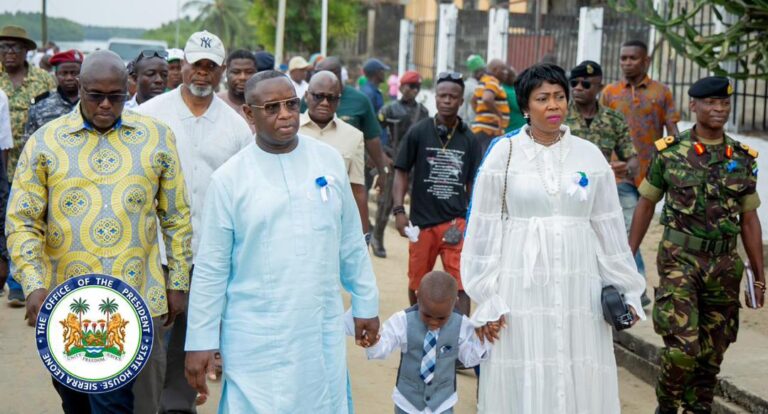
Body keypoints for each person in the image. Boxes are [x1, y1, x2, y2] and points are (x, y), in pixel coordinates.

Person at [6, 49, 192, 414]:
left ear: (129, 88)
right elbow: (23, 220)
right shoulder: (46, 142)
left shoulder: (156, 137)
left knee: (116, 404)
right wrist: (32, 283)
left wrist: (178, 283)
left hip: (139, 297)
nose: (106, 105)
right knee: (76, 403)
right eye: (95, 96)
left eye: (116, 96)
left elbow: (176, 216)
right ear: (79, 88)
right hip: (67, 303)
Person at [184, 70, 380, 413]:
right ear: (249, 114)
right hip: (254, 335)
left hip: (317, 328)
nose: (286, 114)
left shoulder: (328, 161)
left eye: (291, 104)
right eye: (272, 108)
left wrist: (366, 304)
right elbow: (211, 269)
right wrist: (200, 341)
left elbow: (349, 240)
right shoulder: (229, 180)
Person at [461, 63, 646, 413]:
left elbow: (608, 228)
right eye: (543, 98)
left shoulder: (589, 155)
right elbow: (484, 228)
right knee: (525, 359)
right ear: (526, 106)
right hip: (520, 284)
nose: (554, 106)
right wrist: (485, 296)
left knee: (575, 359)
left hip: (579, 283)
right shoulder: (504, 153)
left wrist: (628, 288)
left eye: (559, 97)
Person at [628, 76, 764, 414]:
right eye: (710, 103)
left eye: (724, 104)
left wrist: (758, 277)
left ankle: (698, 407)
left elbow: (749, 218)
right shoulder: (671, 152)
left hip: (724, 265)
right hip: (679, 259)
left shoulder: (742, 158)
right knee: (681, 349)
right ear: (694, 106)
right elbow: (646, 204)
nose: (718, 109)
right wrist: (626, 255)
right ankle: (668, 405)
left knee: (711, 353)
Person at [136, 30, 252, 414]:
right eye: (195, 65)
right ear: (181, 65)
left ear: (219, 71)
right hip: (155, 253)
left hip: (208, 255)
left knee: (192, 339)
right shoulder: (149, 116)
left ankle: (178, 406)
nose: (201, 74)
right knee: (149, 339)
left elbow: (244, 192)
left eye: (210, 67)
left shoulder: (236, 127)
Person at [392, 72, 482, 317]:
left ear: (461, 101)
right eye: (442, 95)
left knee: (460, 283)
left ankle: (460, 339)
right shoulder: (419, 132)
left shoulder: (469, 139)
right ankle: (416, 327)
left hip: (456, 222)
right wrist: (399, 211)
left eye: (453, 97)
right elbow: (401, 170)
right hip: (422, 223)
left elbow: (474, 182)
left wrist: (473, 220)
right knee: (417, 282)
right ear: (435, 98)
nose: (447, 101)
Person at [563, 60, 646, 304]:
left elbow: (632, 160)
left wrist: (624, 168)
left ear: (599, 86)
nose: (578, 88)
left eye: (585, 83)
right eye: (574, 83)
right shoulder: (561, 116)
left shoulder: (613, 119)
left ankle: (634, 287)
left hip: (607, 186)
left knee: (626, 229)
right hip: (569, 188)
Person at [354, 271, 491, 414]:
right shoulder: (402, 321)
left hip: (442, 404)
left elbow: (469, 358)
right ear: (417, 296)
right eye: (427, 315)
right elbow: (384, 346)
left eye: (441, 318)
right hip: (407, 403)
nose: (433, 323)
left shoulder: (462, 324)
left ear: (455, 303)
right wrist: (373, 342)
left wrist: (484, 339)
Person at [601, 40, 681, 281]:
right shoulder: (610, 93)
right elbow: (600, 130)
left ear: (646, 61)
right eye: (623, 58)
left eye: (632, 58)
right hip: (619, 173)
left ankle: (629, 281)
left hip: (651, 174)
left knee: (635, 228)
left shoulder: (661, 92)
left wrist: (677, 161)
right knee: (625, 226)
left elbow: (672, 130)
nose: (627, 63)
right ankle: (636, 282)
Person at [0, 25, 56, 306]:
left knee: (36, 224)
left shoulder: (43, 80)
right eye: (4, 47)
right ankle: (14, 282)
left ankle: (26, 282)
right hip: (5, 164)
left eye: (15, 47)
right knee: (11, 224)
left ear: (26, 51)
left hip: (38, 165)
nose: (9, 52)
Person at [299, 70, 368, 237]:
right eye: (318, 96)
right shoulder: (290, 130)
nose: (324, 103)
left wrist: (363, 236)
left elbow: (357, 188)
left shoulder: (354, 136)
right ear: (307, 96)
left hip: (334, 227)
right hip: (295, 221)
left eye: (331, 98)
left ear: (339, 100)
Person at [313, 56, 392, 192]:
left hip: (351, 173)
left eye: (321, 75)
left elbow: (371, 137)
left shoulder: (360, 100)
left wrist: (381, 169)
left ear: (336, 74)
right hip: (316, 171)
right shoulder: (309, 99)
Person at [373, 71, 429, 258]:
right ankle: (377, 237)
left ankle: (418, 241)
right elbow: (373, 133)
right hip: (394, 161)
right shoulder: (389, 109)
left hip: (416, 164)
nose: (413, 90)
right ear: (402, 87)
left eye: (417, 87)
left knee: (420, 204)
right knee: (387, 202)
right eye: (410, 86)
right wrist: (381, 155)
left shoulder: (423, 112)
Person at [23, 50, 83, 142]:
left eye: (74, 73)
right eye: (64, 73)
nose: (69, 78)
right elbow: (29, 141)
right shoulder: (40, 104)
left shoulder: (92, 102)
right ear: (56, 75)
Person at [471, 58, 509, 153]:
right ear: (495, 70)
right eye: (503, 69)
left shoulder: (484, 80)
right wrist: (499, 115)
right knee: (486, 160)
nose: (506, 73)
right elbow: (487, 98)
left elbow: (473, 101)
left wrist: (481, 115)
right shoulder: (493, 81)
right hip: (489, 131)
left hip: (482, 129)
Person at [217, 48, 257, 127]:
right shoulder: (214, 102)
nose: (242, 77)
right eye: (236, 72)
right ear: (226, 72)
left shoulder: (264, 106)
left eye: (249, 72)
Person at [501, 65, 526, 133]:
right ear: (507, 78)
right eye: (513, 76)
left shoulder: (513, 88)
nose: (516, 77)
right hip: (513, 128)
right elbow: (520, 106)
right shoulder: (507, 91)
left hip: (519, 127)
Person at [460, 54, 484, 123]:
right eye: (483, 70)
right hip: (469, 124)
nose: (485, 73)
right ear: (478, 73)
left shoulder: (465, 84)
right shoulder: (475, 88)